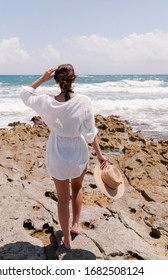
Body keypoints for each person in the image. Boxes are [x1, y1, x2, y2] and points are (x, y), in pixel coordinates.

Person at [20, 64, 107, 249]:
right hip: (78, 152)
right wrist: (99, 155)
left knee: (62, 199)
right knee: (77, 188)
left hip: (57, 153)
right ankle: (75, 225)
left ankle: (66, 238)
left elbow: (25, 94)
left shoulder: (46, 101)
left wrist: (42, 78)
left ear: (57, 81)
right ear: (74, 79)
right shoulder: (84, 101)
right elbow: (91, 133)